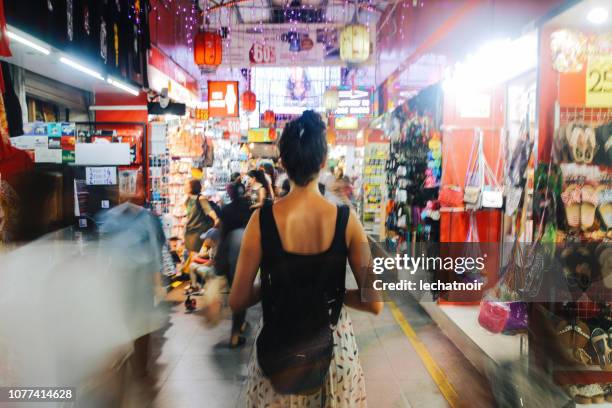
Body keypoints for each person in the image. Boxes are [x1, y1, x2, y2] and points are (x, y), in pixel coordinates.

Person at [230, 110, 383, 406]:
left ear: (283, 162)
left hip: (279, 353)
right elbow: (373, 302)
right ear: (323, 162)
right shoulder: (346, 220)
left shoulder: (259, 222)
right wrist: (332, 294)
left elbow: (237, 300)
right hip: (333, 352)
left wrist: (275, 288)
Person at [216, 181, 253, 348]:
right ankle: (237, 331)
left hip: (230, 253)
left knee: (234, 290)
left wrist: (218, 257)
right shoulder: (250, 209)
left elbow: (222, 234)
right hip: (247, 252)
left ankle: (236, 332)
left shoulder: (226, 210)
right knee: (244, 290)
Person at [183, 179, 219, 253]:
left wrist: (216, 219)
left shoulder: (201, 198)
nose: (185, 186)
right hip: (189, 231)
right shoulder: (188, 199)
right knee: (190, 254)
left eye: (186, 185)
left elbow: (209, 210)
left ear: (192, 187)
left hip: (198, 232)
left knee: (196, 253)